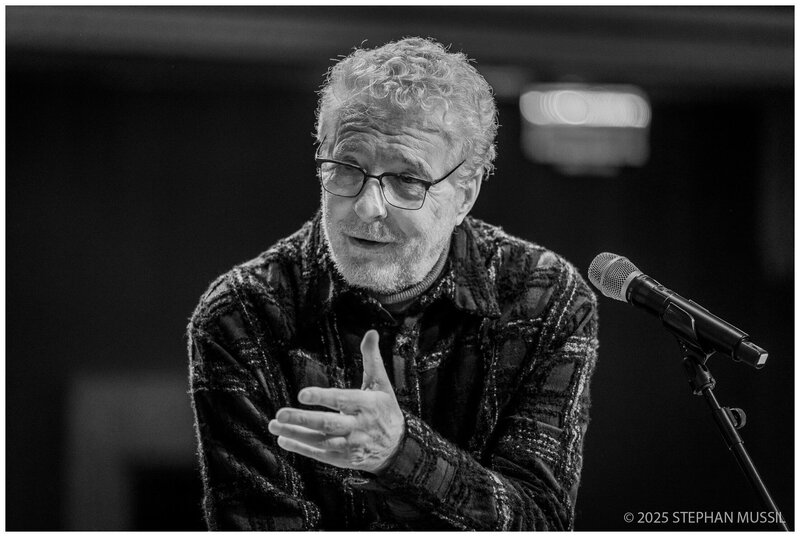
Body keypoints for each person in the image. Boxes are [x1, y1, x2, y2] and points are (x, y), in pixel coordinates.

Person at [188, 36, 598, 531]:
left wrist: (399, 454)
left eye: (407, 180)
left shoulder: (543, 296)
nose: (367, 207)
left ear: (464, 194)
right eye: (347, 168)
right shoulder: (242, 313)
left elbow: (540, 522)